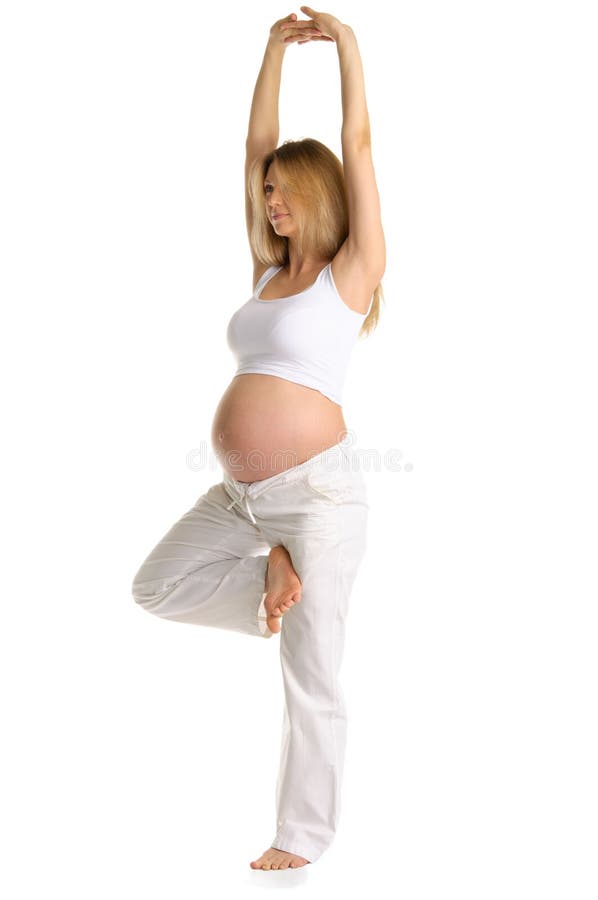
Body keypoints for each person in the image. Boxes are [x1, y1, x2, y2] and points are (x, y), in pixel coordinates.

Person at [131, 6, 386, 872]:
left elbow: (358, 141)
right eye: (267, 190)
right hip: (246, 500)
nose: (268, 199)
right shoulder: (268, 273)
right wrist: (272, 51)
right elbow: (252, 149)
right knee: (156, 585)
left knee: (312, 680)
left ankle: (301, 839)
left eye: (281, 190)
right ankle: (267, 583)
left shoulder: (352, 273)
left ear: (313, 193)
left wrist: (347, 47)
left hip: (317, 501)